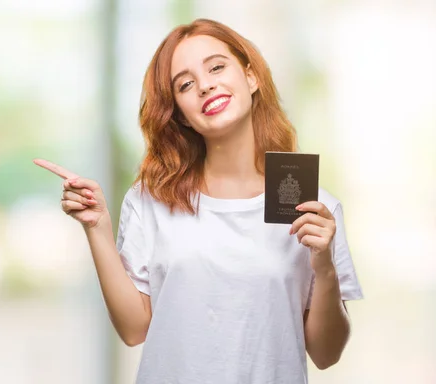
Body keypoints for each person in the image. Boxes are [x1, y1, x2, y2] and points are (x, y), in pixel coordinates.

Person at [34, 18, 362, 384]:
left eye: (217, 67)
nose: (205, 85)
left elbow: (326, 354)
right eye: (186, 84)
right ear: (180, 115)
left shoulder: (314, 206)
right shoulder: (150, 199)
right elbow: (133, 329)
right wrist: (97, 228)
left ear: (251, 78)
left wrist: (325, 266)